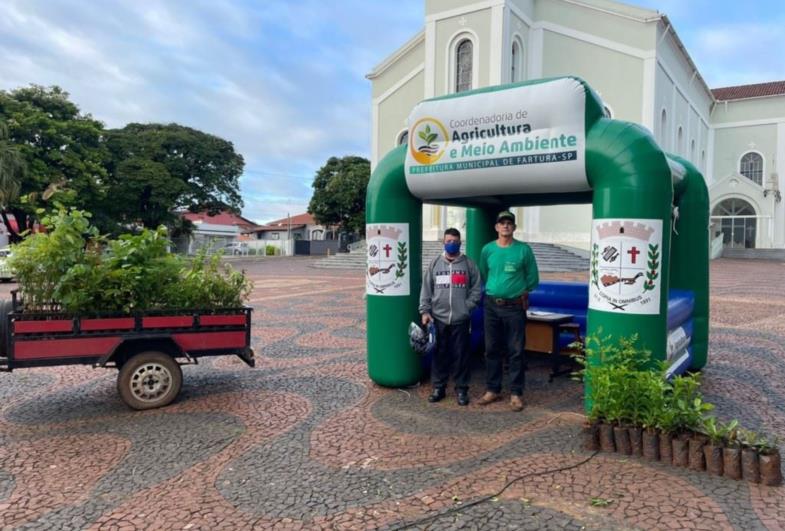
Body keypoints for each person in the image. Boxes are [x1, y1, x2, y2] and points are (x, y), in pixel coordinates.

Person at [477, 210, 539, 411]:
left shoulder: (523, 250)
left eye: (509, 223)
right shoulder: (487, 250)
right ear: (496, 227)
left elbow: (533, 278)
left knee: (516, 351)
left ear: (514, 227)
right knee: (491, 349)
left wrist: (519, 291)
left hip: (514, 307)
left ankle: (516, 393)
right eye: (501, 223)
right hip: (492, 306)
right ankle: (492, 389)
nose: (505, 226)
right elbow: (484, 273)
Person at [419, 227, 482, 406]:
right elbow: (426, 289)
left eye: (455, 241)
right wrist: (425, 311)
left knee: (461, 355)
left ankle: (462, 389)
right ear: (443, 243)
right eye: (448, 241)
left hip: (461, 320)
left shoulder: (469, 264)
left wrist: (466, 307)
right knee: (439, 354)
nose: (451, 244)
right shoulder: (434, 264)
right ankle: (438, 387)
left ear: (460, 243)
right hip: (438, 319)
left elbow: (477, 290)